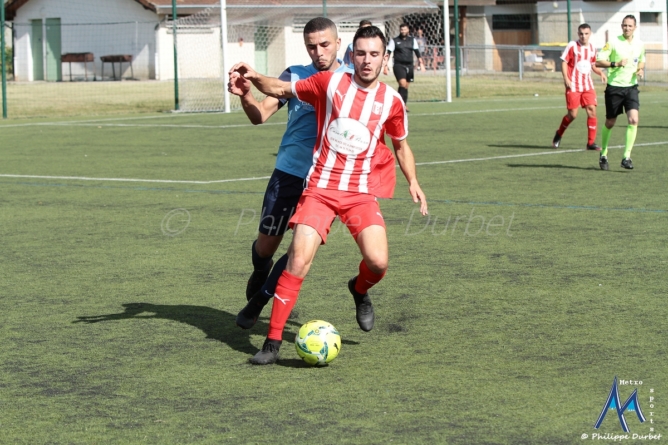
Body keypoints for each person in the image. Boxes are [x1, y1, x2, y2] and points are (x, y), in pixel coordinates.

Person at [228, 25, 429, 365]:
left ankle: (359, 289)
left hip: (359, 193)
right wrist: (253, 79)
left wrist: (413, 180)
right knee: (286, 255)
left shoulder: (390, 100)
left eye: (374, 54)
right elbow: (277, 92)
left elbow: (401, 144)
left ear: (384, 58)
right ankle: (271, 343)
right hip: (310, 183)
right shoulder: (325, 82)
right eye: (362, 53)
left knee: (377, 262)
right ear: (353, 53)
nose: (367, 60)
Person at [228, 17, 353, 321]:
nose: (318, 52)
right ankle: (261, 270)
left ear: (338, 44)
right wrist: (246, 95)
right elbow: (259, 115)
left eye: (324, 44)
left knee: (299, 248)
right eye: (312, 46)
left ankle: (261, 299)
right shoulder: (295, 75)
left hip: (324, 182)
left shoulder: (351, 80)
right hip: (288, 174)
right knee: (265, 246)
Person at [595, 15, 645, 170]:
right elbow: (598, 61)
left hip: (631, 87)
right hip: (614, 87)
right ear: (621, 26)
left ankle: (626, 157)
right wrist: (615, 63)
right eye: (625, 25)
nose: (627, 28)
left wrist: (640, 69)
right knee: (610, 122)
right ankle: (603, 154)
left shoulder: (640, 44)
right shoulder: (613, 42)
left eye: (630, 26)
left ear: (635, 28)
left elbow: (641, 59)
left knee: (634, 120)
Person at [552, 23, 606, 151]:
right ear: (578, 34)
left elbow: (592, 65)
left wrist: (601, 73)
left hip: (587, 85)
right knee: (573, 115)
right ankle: (559, 133)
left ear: (590, 34)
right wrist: (566, 78)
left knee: (592, 110)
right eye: (581, 34)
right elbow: (564, 61)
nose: (583, 36)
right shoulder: (572, 45)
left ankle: (591, 143)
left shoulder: (593, 48)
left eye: (586, 34)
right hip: (574, 85)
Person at [383, 23, 425, 110]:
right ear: (400, 30)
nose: (403, 31)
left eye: (405, 29)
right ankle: (401, 105)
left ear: (408, 30)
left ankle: (402, 104)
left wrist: (421, 64)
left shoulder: (412, 40)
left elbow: (417, 52)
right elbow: (388, 53)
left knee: (405, 86)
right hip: (399, 65)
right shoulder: (394, 40)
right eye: (402, 29)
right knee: (402, 83)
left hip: (409, 65)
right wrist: (385, 66)